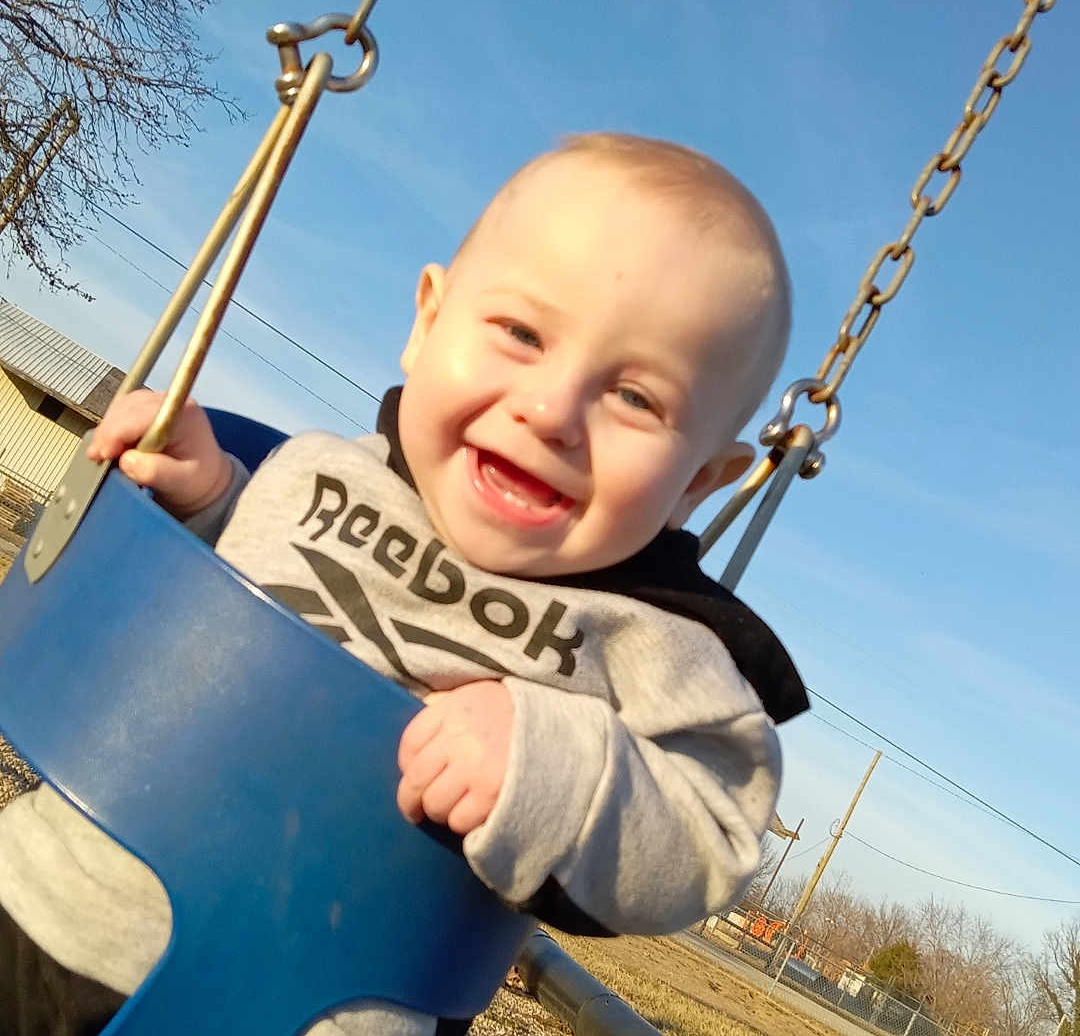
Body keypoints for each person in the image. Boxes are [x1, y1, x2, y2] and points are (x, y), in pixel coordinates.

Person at [0, 133, 808, 1035]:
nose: (551, 411)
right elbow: (203, 625)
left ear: (699, 480)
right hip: (42, 915)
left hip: (315, 1004)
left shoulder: (648, 639)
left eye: (636, 399)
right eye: (522, 333)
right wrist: (204, 498)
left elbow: (718, 829)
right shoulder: (313, 471)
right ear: (429, 322)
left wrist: (554, 766)